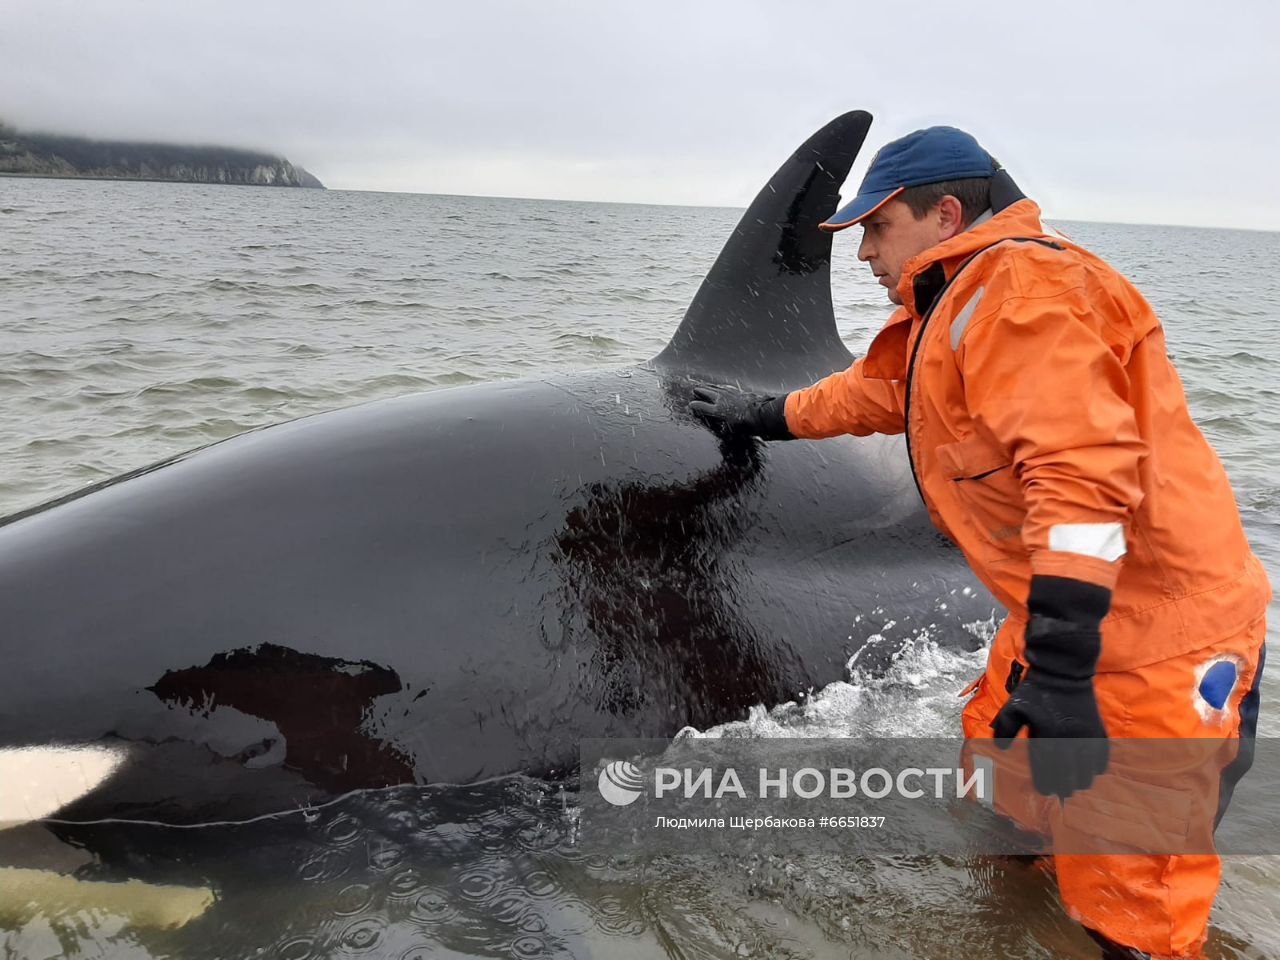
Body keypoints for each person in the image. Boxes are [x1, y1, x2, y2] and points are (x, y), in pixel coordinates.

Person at [688, 125, 1270, 959]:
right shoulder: (958, 302)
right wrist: (768, 415)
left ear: (945, 215)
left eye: (876, 228)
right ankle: (1013, 936)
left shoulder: (1026, 292)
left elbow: (1080, 474)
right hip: (1060, 616)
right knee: (1004, 806)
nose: (864, 253)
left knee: (1134, 900)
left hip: (1156, 639)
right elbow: (881, 392)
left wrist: (1064, 665)